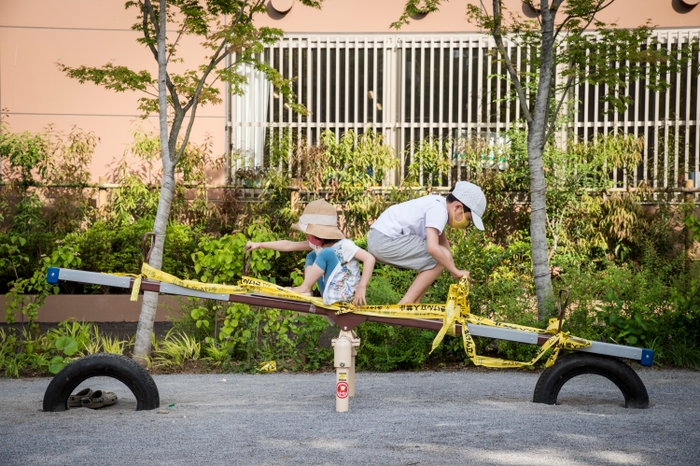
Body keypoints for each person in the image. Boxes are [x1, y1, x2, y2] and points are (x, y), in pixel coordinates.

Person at [367, 181, 486, 304]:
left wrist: (455, 270)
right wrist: (456, 272)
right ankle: (407, 302)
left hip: (380, 240)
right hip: (385, 240)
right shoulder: (438, 210)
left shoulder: (438, 204)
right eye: (468, 219)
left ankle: (414, 302)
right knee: (438, 256)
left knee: (442, 256)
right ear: (458, 207)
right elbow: (433, 249)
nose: (466, 224)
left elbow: (444, 247)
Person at [245, 199, 375, 307]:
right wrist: (259, 245)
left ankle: (304, 288)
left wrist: (362, 287)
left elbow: (369, 258)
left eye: (311, 234)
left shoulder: (344, 245)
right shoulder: (319, 245)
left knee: (326, 254)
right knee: (312, 255)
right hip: (328, 291)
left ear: (321, 235)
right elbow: (288, 245)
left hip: (344, 295)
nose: (308, 237)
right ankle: (306, 289)